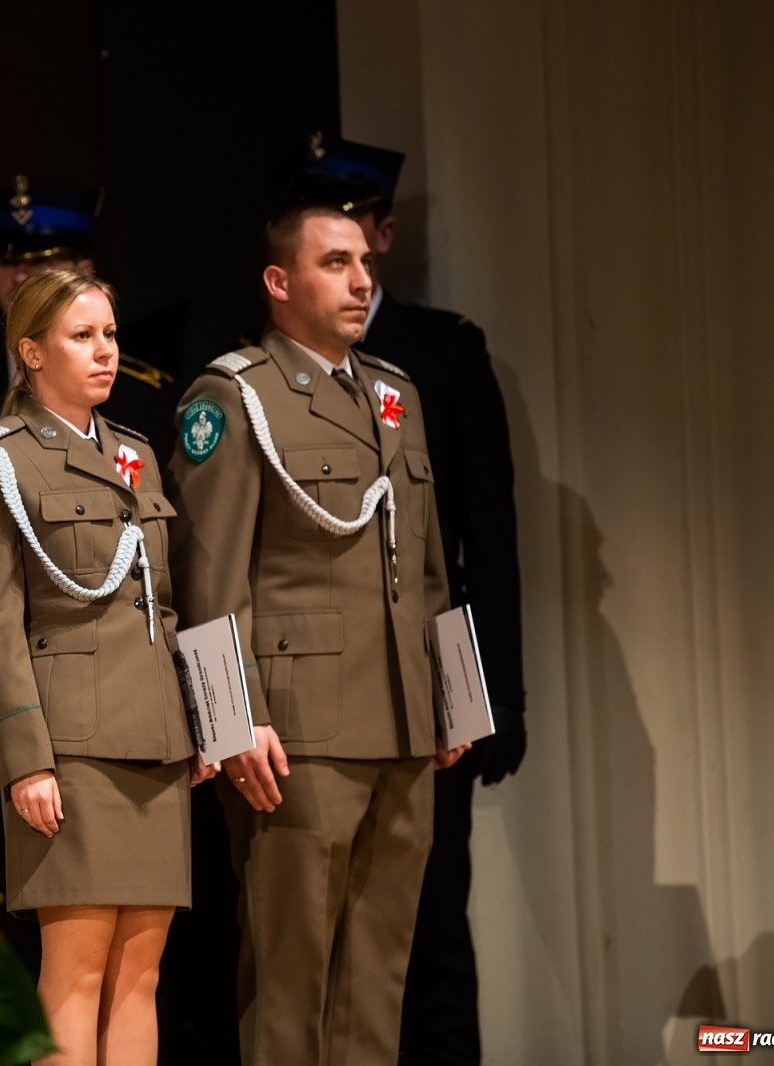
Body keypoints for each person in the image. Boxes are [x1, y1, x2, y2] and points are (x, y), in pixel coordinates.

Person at [165, 202, 469, 1066]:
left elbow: (429, 566)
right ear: (279, 282)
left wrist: (453, 701)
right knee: (291, 986)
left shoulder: (394, 393)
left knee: (379, 980)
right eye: (336, 262)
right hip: (295, 734)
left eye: (365, 262)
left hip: (404, 723)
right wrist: (231, 724)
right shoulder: (236, 396)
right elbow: (209, 577)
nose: (362, 279)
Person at [290, 135, 527, 1066]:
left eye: (356, 228)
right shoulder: (264, 366)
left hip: (434, 685)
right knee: (324, 945)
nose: (346, 254)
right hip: (320, 702)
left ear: (384, 235)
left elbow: (486, 544)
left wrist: (497, 696)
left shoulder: (439, 353)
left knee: (430, 935)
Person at [0, 269, 211, 1066]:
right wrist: (25, 759)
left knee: (141, 974)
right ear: (30, 352)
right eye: (81, 337)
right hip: (72, 750)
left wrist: (199, 721)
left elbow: (162, 607)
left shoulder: (134, 454)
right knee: (75, 975)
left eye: (109, 335)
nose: (105, 353)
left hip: (155, 744)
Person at [0, 176, 177, 454]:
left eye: (40, 261)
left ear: (84, 272)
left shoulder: (145, 398)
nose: (18, 276)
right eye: (8, 261)